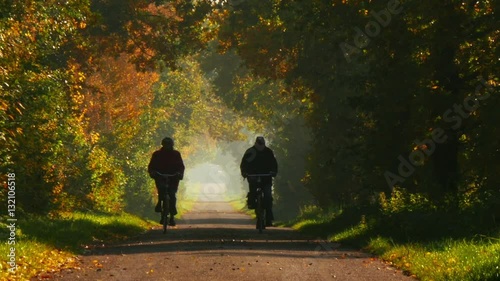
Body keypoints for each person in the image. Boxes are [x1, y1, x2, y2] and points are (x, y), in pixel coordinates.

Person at [240, 136, 278, 227]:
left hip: (266, 178)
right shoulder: (250, 152)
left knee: (268, 196)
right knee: (253, 193)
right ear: (256, 143)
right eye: (259, 144)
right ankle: (252, 204)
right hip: (253, 178)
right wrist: (244, 173)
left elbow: (274, 164)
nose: (261, 147)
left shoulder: (268, 152)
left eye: (262, 145)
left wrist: (273, 172)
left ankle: (269, 217)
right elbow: (244, 164)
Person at [148, 137, 185, 226]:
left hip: (173, 177)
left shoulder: (176, 154)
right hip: (160, 176)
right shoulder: (157, 154)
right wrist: (153, 173)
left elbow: (181, 166)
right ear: (163, 145)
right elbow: (151, 166)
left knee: (172, 194)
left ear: (171, 145)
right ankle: (160, 207)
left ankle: (172, 216)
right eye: (165, 145)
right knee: (161, 191)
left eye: (168, 145)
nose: (167, 146)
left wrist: (179, 174)